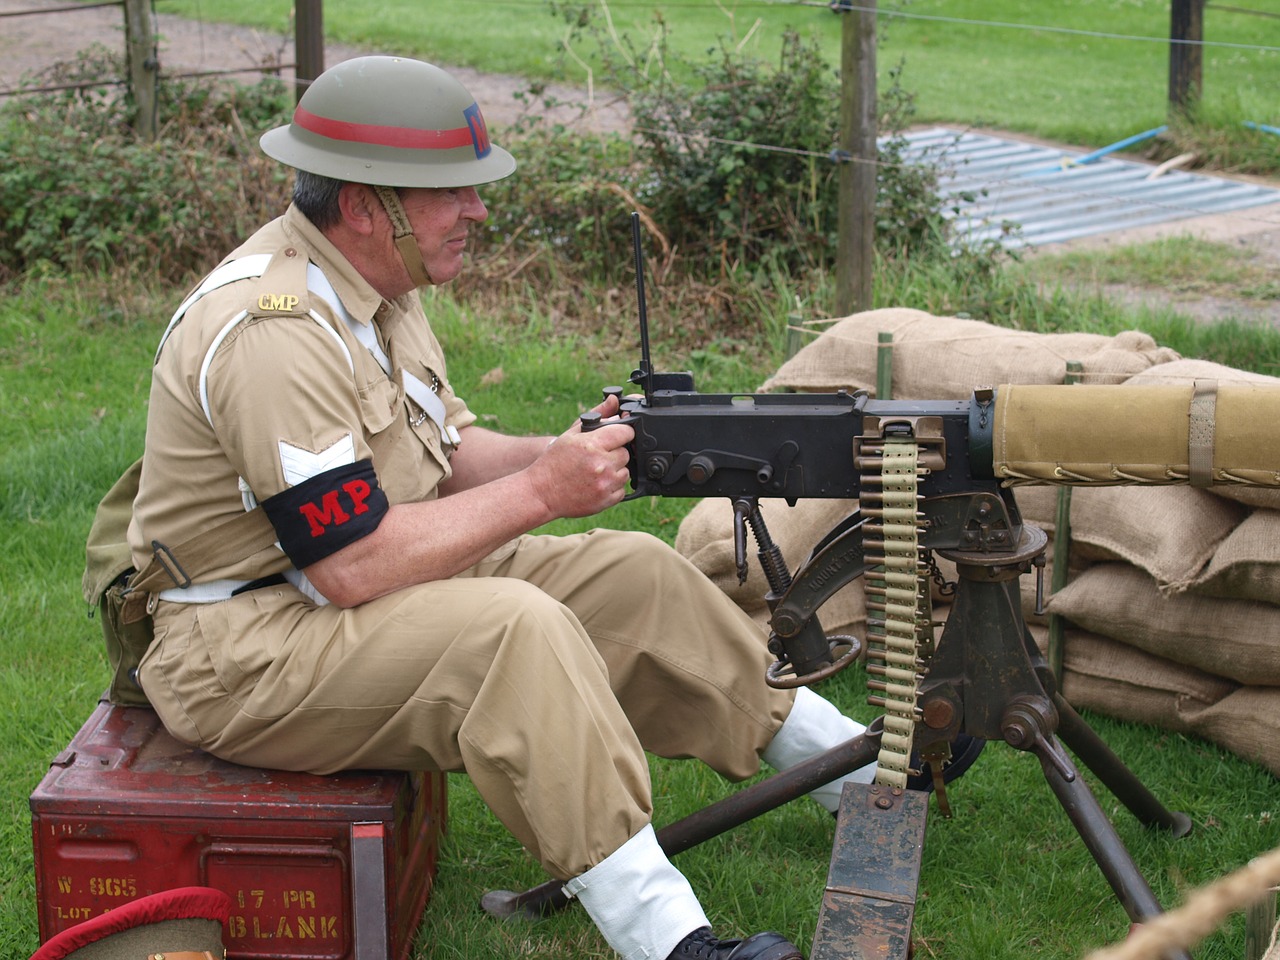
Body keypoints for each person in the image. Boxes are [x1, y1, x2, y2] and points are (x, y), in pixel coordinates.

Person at [128, 55, 884, 960]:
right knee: (512, 631)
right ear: (370, 205)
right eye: (453, 192)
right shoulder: (274, 331)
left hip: (322, 599)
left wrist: (572, 452)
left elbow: (445, 458)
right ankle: (672, 941)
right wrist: (539, 493)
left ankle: (863, 774)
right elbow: (350, 563)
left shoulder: (376, 290)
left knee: (634, 572)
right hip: (245, 648)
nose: (479, 211)